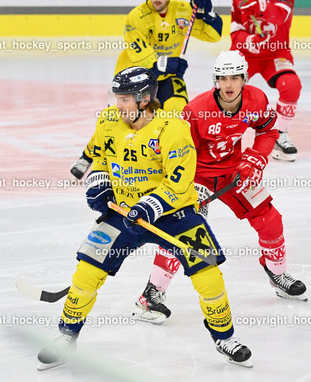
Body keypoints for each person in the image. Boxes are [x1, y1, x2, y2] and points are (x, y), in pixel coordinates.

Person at [37, 67, 252, 370]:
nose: (118, 104)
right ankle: (66, 336)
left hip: (174, 213)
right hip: (124, 212)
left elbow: (179, 181)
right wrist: (100, 183)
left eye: (125, 98)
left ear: (145, 98)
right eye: (117, 97)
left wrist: (150, 206)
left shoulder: (172, 129)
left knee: (208, 273)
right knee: (86, 272)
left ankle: (225, 338)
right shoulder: (108, 120)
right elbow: (101, 157)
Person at [132, 51, 307, 324]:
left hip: (235, 172)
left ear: (244, 78)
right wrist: (183, 189)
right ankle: (151, 293)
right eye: (223, 78)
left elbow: (268, 131)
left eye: (234, 78)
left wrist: (255, 158)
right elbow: (179, 153)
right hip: (196, 175)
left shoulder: (257, 99)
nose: (228, 84)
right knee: (186, 231)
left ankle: (277, 273)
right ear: (215, 80)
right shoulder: (196, 110)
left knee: (269, 219)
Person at [70, 0, 223, 179]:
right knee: (119, 118)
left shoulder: (182, 10)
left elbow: (213, 36)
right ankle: (89, 156)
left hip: (168, 77)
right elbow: (140, 55)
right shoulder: (137, 16)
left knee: (179, 114)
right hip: (134, 76)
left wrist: (208, 14)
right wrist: (166, 64)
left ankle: (173, 159)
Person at [230, 0, 302, 162]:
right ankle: (224, 133)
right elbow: (235, 30)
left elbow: (279, 16)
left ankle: (281, 134)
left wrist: (260, 4)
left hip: (275, 53)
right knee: (226, 87)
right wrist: (249, 40)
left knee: (291, 85)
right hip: (247, 54)